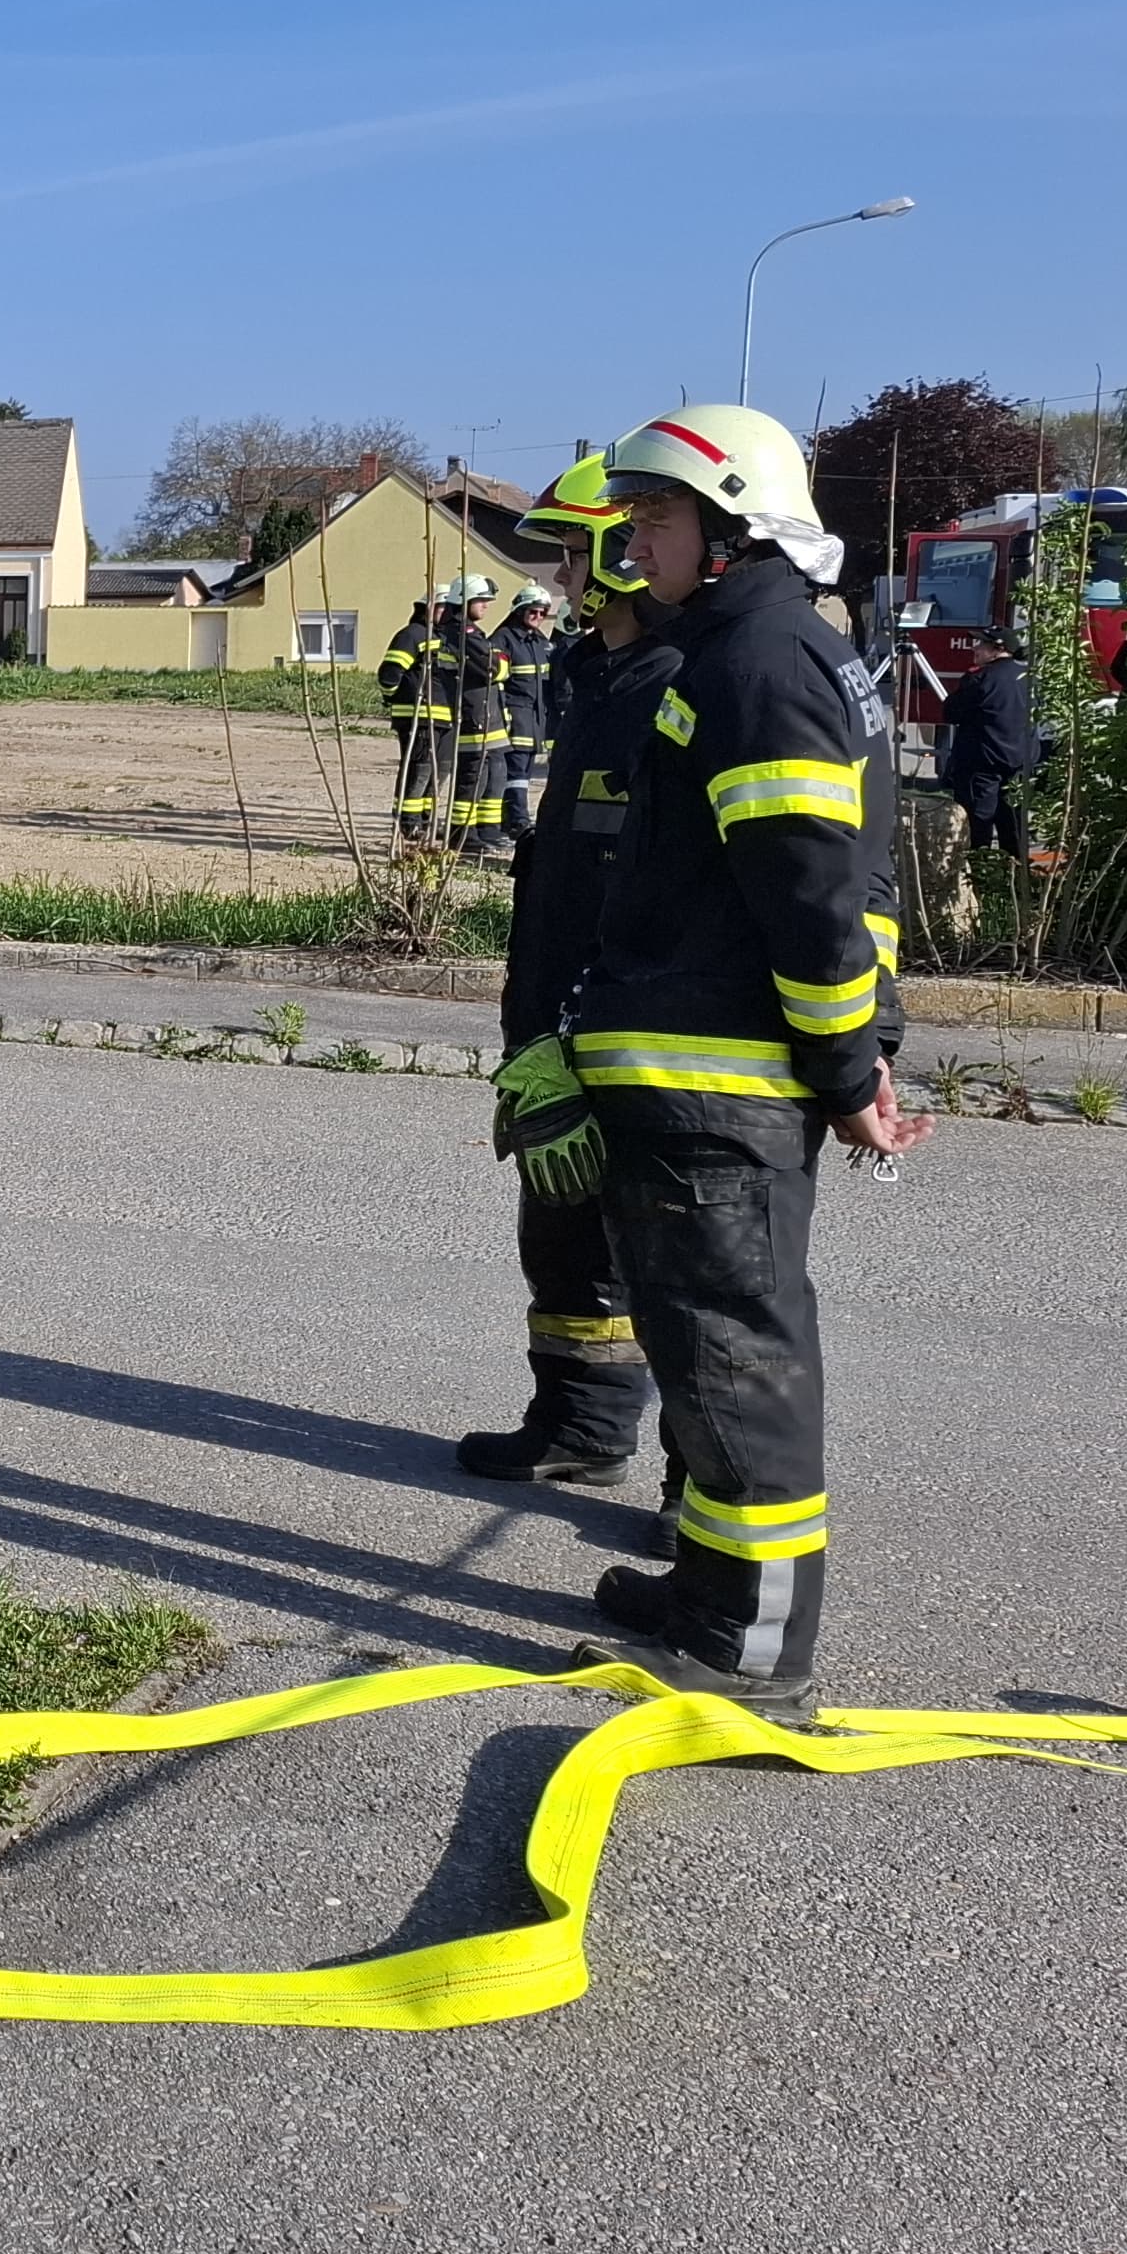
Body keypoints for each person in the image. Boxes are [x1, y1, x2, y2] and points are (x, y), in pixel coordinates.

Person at [526, 403, 930, 1707]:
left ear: (732, 523)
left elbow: (812, 904)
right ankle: (707, 1590)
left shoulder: (759, 666)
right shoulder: (749, 650)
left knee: (730, 1362)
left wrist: (849, 1069)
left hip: (725, 1088)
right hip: (701, 1079)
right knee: (704, 1359)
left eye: (654, 516)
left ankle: (740, 1652)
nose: (633, 540)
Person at [459, 462, 673, 1489]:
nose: (561, 571)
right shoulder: (594, 669)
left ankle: (706, 1492)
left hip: (641, 1020)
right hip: (554, 1014)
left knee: (674, 1270)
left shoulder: (688, 680)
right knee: (565, 1233)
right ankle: (581, 1426)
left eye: (574, 550)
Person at [936, 640, 1041, 864]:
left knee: (977, 826)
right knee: (1014, 825)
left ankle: (978, 878)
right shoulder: (1029, 677)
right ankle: (1015, 878)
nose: (974, 649)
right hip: (1019, 764)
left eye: (981, 646)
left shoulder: (981, 678)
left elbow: (951, 712)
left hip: (982, 765)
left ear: (998, 651)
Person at [450, 575, 514, 854]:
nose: (487, 606)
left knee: (486, 774)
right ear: (464, 601)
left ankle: (479, 831)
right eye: (481, 600)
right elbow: (495, 669)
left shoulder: (465, 632)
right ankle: (462, 835)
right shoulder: (465, 634)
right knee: (471, 778)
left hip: (482, 713)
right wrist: (500, 660)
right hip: (473, 714)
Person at [377, 594, 450, 839]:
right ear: (426, 609)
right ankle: (409, 824)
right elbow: (389, 673)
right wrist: (395, 698)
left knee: (436, 773)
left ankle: (427, 821)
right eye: (441, 608)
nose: (446, 612)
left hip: (443, 718)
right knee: (419, 770)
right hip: (417, 716)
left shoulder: (445, 638)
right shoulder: (413, 634)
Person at [494, 582, 559, 841]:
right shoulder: (503, 639)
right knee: (516, 772)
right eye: (534, 611)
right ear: (520, 610)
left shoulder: (540, 642)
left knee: (524, 772)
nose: (539, 617)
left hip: (535, 718)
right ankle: (517, 819)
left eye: (543, 613)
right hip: (514, 715)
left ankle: (511, 819)